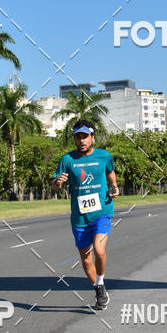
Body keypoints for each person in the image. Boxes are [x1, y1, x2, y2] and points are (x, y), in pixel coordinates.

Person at [52, 119, 119, 310]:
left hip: (102, 211)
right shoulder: (68, 159)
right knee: (86, 259)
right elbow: (54, 185)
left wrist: (114, 186)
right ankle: (99, 288)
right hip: (80, 217)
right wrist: (58, 182)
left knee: (98, 249)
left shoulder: (104, 156)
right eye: (78, 137)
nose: (81, 140)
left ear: (92, 138)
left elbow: (111, 173)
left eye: (85, 136)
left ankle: (100, 280)